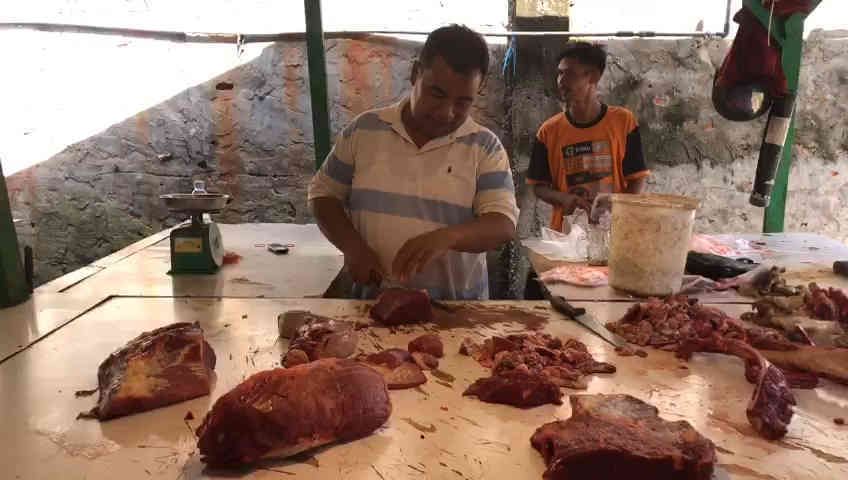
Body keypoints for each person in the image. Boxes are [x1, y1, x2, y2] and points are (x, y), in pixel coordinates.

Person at [308, 24, 519, 300]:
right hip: (370, 309)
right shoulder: (364, 131)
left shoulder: (485, 146)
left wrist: (448, 237)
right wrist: (352, 247)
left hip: (457, 317)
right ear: (415, 73)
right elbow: (323, 194)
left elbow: (502, 225)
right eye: (437, 94)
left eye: (463, 102)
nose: (446, 113)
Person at [527, 41, 649, 233]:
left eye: (569, 74)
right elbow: (539, 186)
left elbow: (637, 179)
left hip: (615, 232)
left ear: (593, 76)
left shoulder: (624, 122)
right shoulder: (547, 132)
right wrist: (564, 199)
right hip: (567, 236)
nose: (561, 81)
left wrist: (618, 209)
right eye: (560, 73)